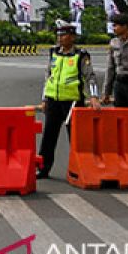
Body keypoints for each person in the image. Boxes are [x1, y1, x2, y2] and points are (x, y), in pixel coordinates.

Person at [37, 20, 101, 179]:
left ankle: (79, 168)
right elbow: (48, 76)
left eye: (64, 35)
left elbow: (90, 77)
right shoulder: (53, 53)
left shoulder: (81, 55)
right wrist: (44, 98)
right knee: (49, 137)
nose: (60, 38)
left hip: (72, 102)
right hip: (53, 100)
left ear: (72, 37)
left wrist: (93, 96)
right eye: (59, 34)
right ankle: (42, 168)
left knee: (75, 138)